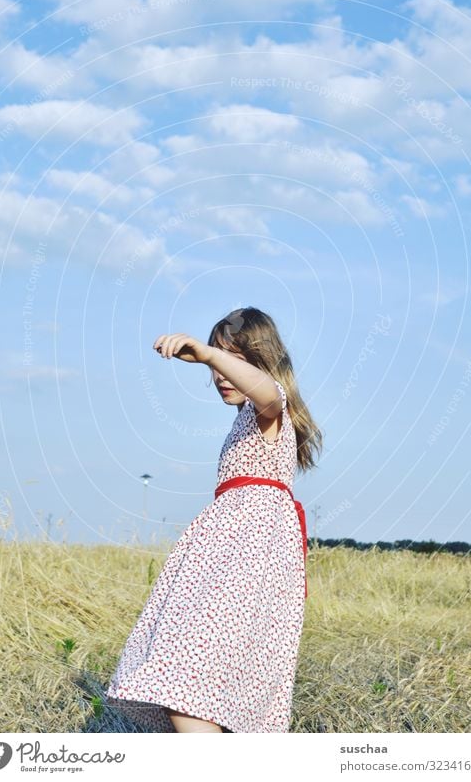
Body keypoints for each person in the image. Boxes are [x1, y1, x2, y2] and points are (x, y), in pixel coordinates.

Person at [105, 307, 323, 733]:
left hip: (244, 562)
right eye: (219, 362)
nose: (222, 374)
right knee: (196, 677)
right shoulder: (246, 421)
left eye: (234, 361)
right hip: (226, 556)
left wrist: (207, 353)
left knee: (190, 671)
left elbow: (267, 393)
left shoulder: (269, 409)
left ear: (263, 362)